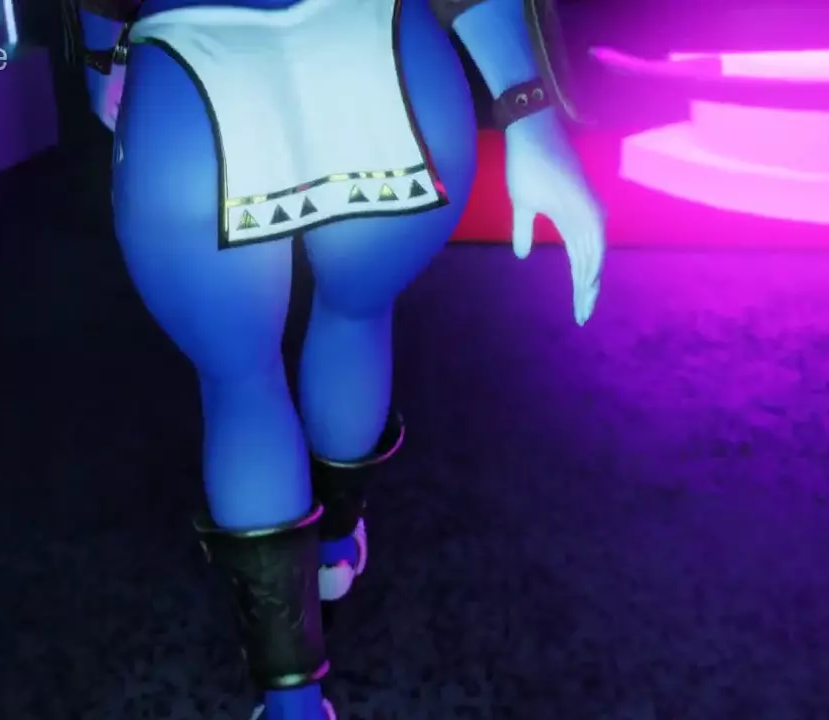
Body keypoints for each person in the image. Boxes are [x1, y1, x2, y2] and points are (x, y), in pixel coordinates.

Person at [72, 0, 605, 717]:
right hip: (381, 51)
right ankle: (332, 543)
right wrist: (529, 112)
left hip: (190, 66)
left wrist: (102, 61)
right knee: (356, 316)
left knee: (241, 387)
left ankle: (293, 707)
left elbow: (103, 36)